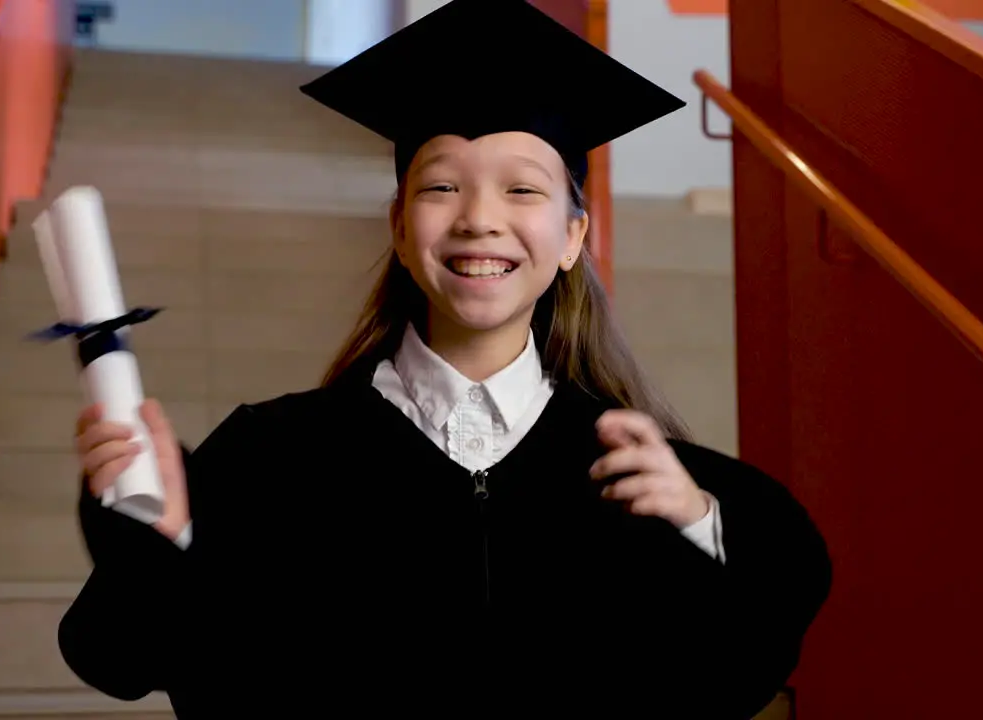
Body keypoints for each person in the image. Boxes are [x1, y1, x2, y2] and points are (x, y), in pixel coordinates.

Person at [58, 1, 832, 717]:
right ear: (399, 227)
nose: (480, 219)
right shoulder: (272, 458)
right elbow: (120, 660)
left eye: (523, 190)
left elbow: (738, 674)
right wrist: (159, 543)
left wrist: (696, 528)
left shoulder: (640, 478)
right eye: (442, 186)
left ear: (572, 238)